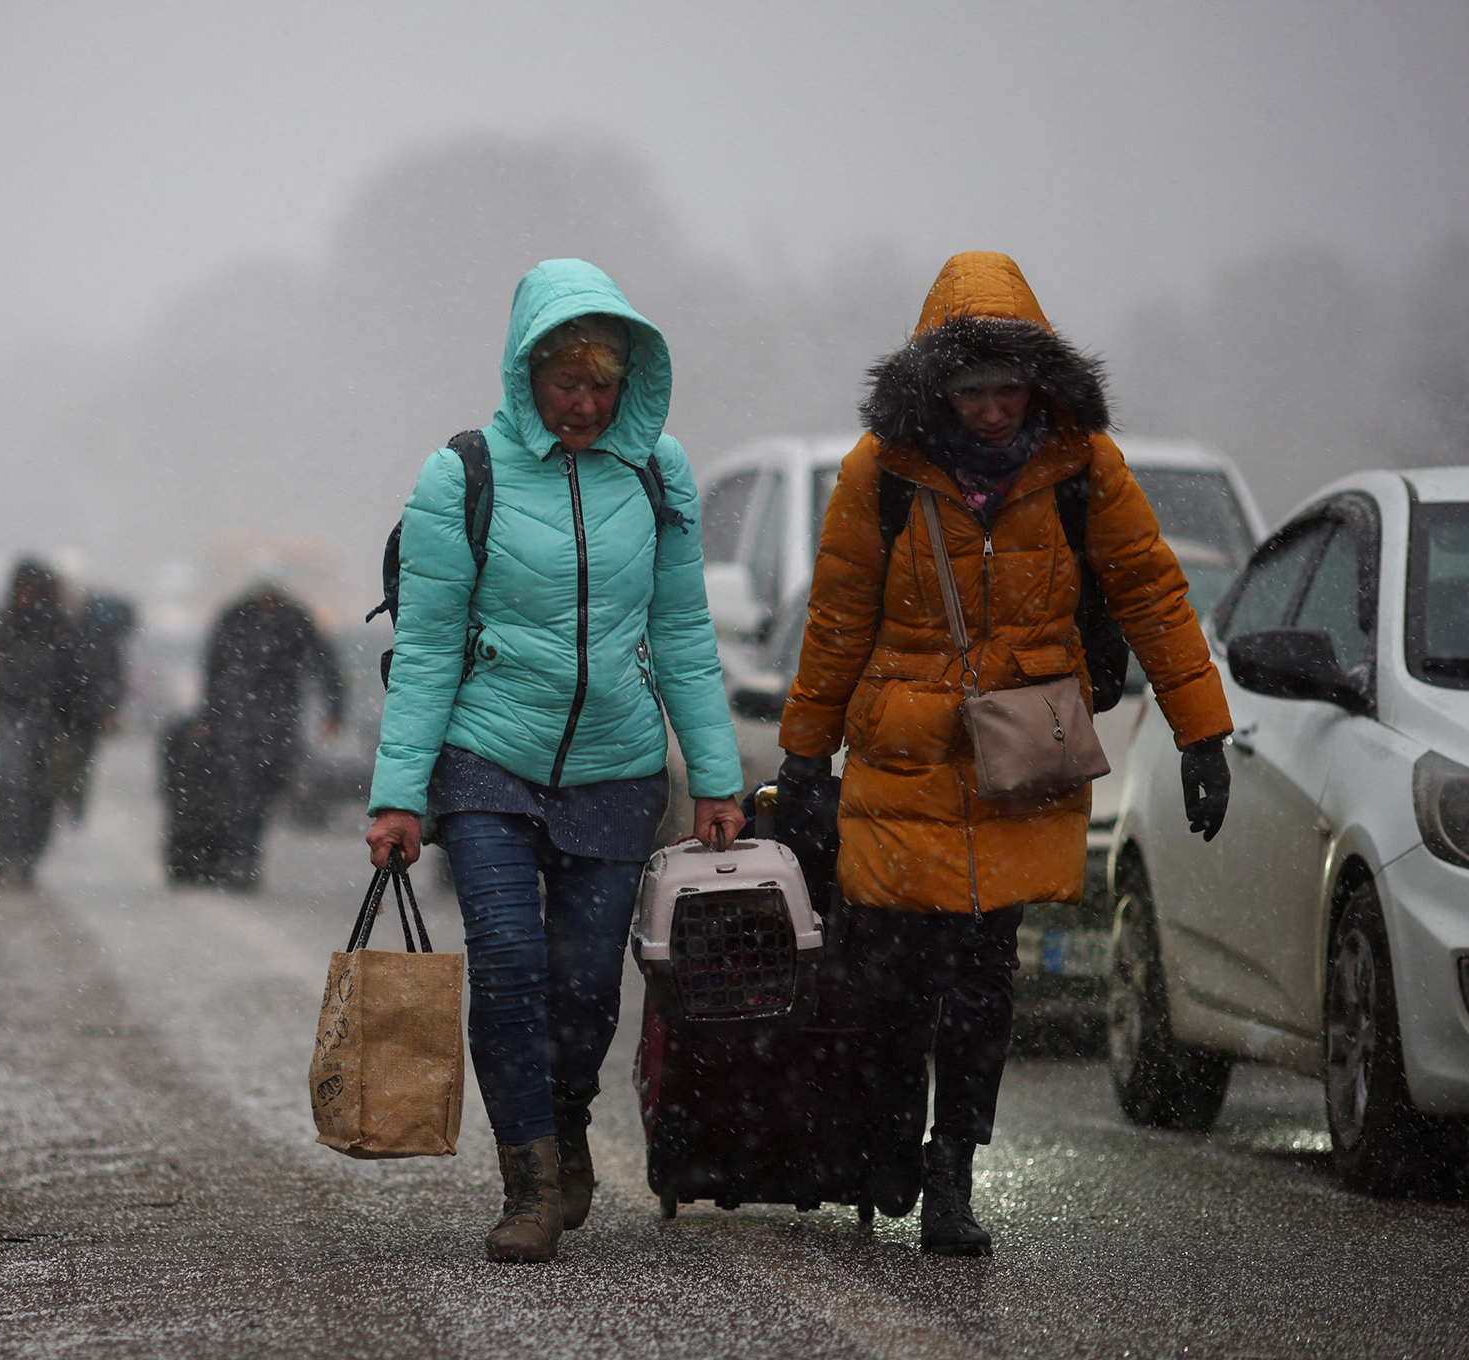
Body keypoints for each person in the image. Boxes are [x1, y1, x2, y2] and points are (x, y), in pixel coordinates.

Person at [775, 251, 1233, 1257]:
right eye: (971, 389)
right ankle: (893, 1129)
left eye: (1007, 388)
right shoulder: (879, 475)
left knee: (984, 980)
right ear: (935, 385)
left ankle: (951, 1170)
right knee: (894, 977)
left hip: (1020, 755)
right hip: (901, 755)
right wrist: (805, 757)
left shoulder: (1083, 467)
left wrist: (1203, 728)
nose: (990, 411)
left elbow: (1152, 591)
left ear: (1037, 383)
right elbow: (839, 619)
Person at [365, 260, 745, 1264]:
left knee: (585, 986)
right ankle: (528, 1173)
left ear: (629, 383)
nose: (583, 403)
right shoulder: (464, 473)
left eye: (602, 383)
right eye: (565, 380)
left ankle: (564, 1112)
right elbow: (433, 643)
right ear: (526, 370)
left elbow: (684, 630)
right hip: (489, 755)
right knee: (507, 959)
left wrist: (715, 778)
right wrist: (400, 796)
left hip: (617, 765)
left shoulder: (659, 474)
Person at [198, 582, 344, 889]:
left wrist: (335, 709)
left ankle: (243, 857)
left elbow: (324, 663)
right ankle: (240, 859)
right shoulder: (238, 617)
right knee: (240, 793)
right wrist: (210, 714)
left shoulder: (293, 620)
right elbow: (214, 667)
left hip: (275, 720)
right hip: (240, 717)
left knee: (260, 794)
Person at [0, 559, 79, 888]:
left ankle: (28, 858)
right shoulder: (2, 623)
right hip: (11, 714)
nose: (25, 595)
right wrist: (4, 681)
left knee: (41, 791)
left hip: (51, 719)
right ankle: (1, 857)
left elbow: (77, 672)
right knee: (11, 785)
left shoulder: (59, 627)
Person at [49, 592, 137, 825]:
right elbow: (113, 681)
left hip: (72, 715)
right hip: (83, 716)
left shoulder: (76, 638)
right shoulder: (106, 645)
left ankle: (64, 806)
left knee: (69, 763)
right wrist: (107, 708)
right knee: (77, 765)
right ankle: (70, 809)